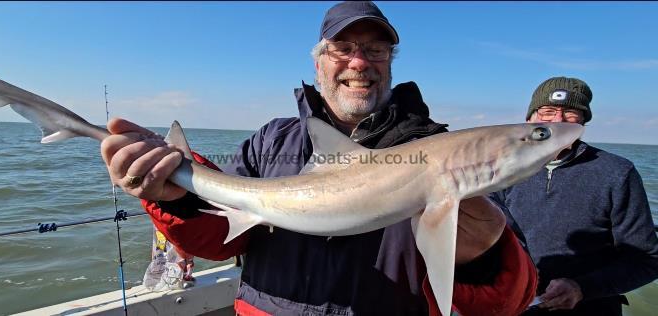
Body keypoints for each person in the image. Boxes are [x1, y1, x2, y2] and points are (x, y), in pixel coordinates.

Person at [101, 2, 537, 315]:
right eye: (342, 48)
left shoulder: (445, 150)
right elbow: (220, 240)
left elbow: (509, 303)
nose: (360, 61)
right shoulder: (271, 141)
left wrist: (485, 255)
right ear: (318, 63)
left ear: (391, 63)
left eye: (376, 50)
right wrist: (174, 198)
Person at [491, 76, 658, 315]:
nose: (557, 120)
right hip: (516, 305)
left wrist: (582, 288)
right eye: (547, 111)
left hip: (590, 307)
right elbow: (491, 238)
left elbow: (647, 259)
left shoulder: (617, 172)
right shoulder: (502, 170)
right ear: (529, 119)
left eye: (570, 113)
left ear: (583, 121)